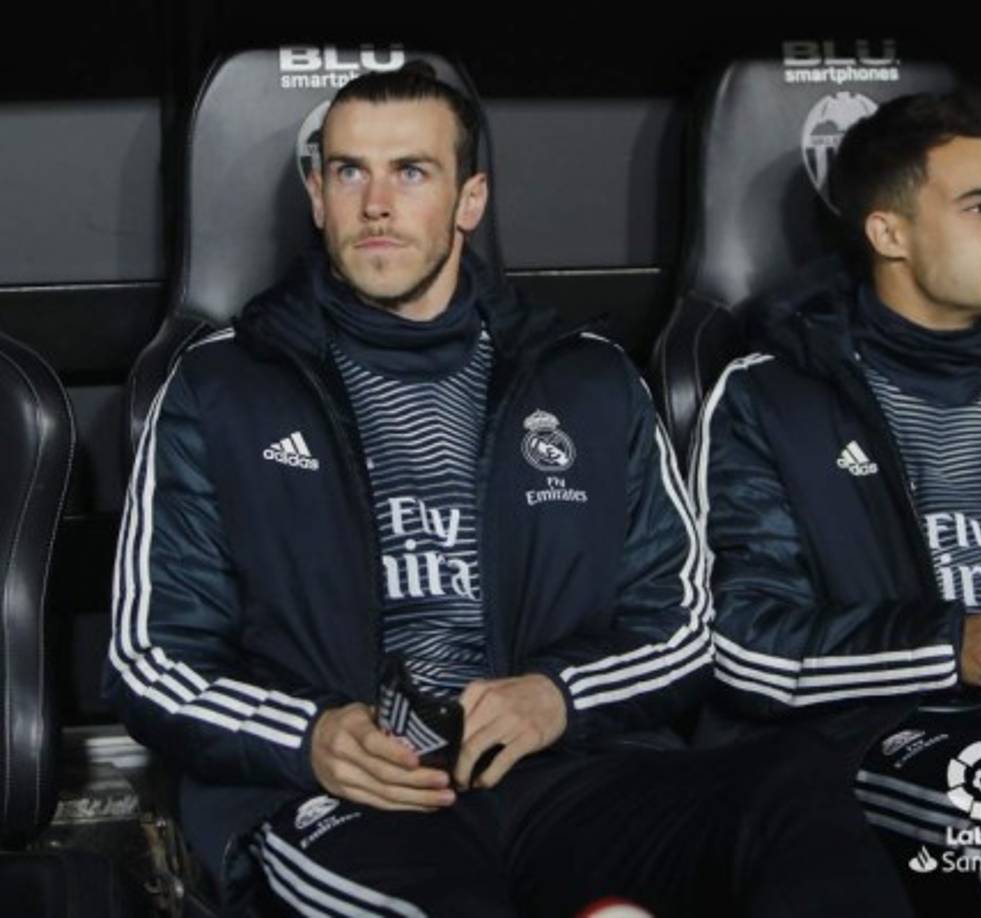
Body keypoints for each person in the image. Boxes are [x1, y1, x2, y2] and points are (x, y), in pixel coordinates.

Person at [106, 67, 912, 917]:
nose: (375, 203)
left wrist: (556, 697)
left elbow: (681, 629)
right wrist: (307, 737)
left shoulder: (588, 380)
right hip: (348, 802)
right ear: (317, 194)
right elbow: (150, 660)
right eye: (348, 171)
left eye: (411, 172)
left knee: (791, 795)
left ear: (469, 199)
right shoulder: (222, 386)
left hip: (565, 778)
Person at [693, 90, 981, 916]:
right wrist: (952, 647)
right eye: (979, 207)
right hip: (881, 735)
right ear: (888, 233)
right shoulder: (772, 397)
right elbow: (740, 643)